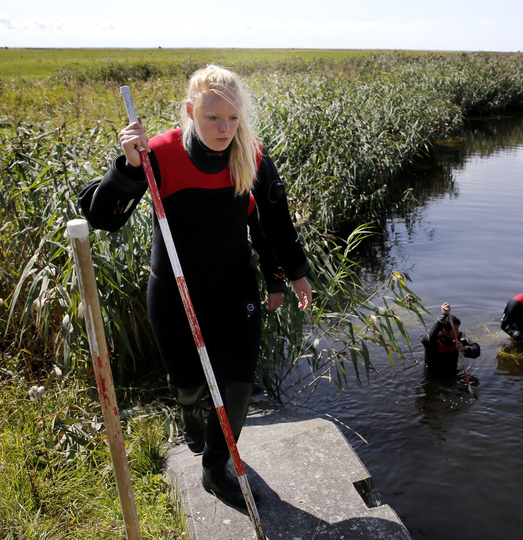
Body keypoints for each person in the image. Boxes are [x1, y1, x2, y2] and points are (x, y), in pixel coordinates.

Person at [78, 64, 312, 508]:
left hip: (234, 290)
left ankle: (214, 468)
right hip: (172, 293)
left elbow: (275, 224)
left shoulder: (252, 156)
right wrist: (129, 166)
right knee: (188, 386)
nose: (225, 128)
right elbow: (102, 218)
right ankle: (189, 411)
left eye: (233, 118)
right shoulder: (159, 153)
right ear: (190, 112)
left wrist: (293, 273)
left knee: (238, 390)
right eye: (212, 118)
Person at [421, 302, 480, 381]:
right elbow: (425, 340)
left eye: (458, 329)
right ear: (445, 331)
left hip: (452, 374)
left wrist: (465, 349)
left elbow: (476, 349)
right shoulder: (434, 340)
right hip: (434, 377)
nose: (458, 332)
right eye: (455, 330)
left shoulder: (459, 338)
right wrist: (443, 316)